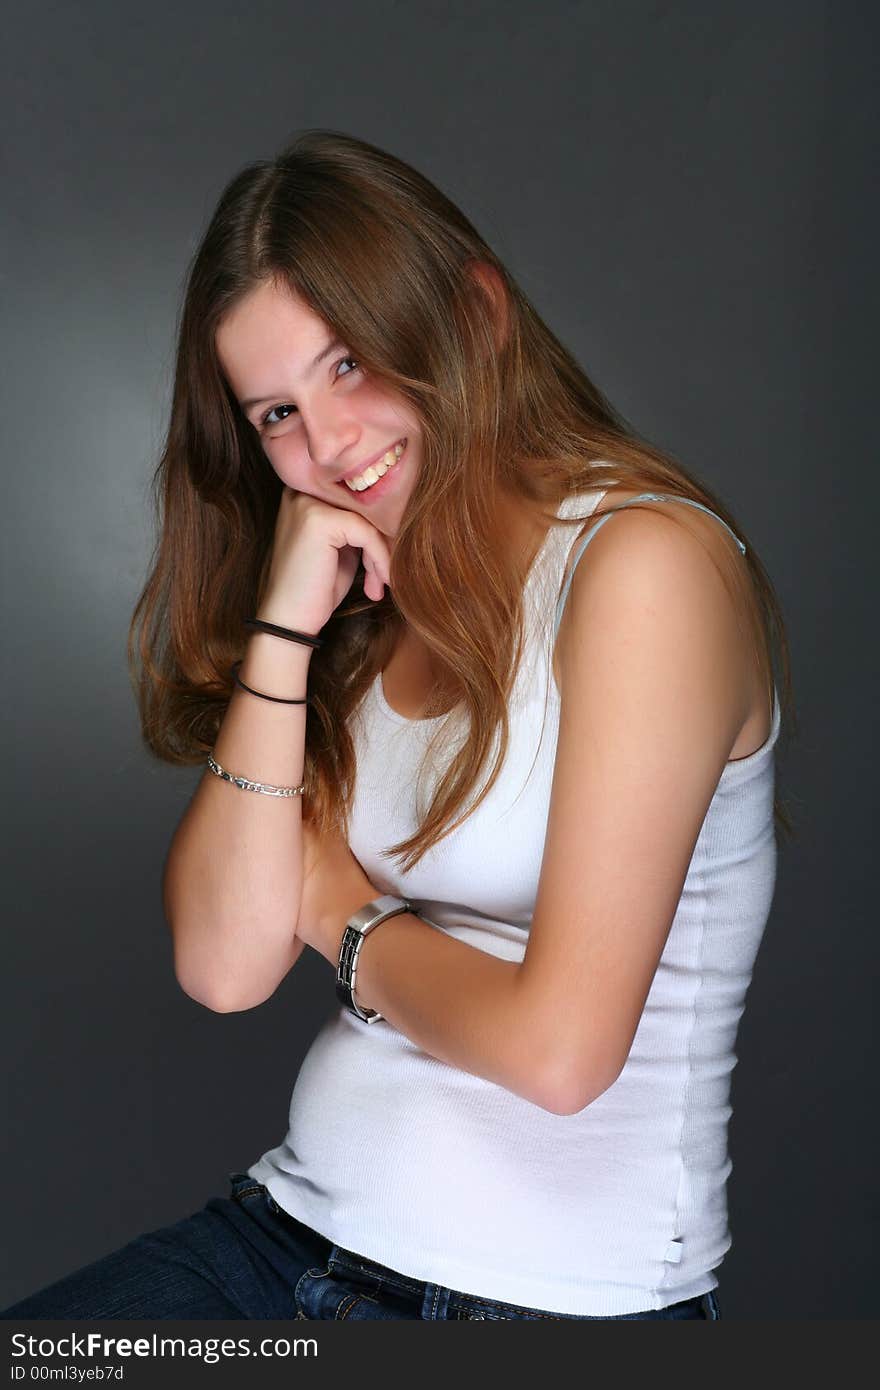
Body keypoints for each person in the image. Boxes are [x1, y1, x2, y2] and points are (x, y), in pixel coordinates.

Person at [1, 128, 792, 1322]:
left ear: (473, 315)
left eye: (350, 364)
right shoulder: (363, 607)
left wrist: (336, 911)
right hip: (283, 1242)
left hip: (547, 1304)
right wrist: (282, 625)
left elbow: (561, 1051)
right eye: (275, 411)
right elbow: (222, 964)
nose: (326, 446)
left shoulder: (644, 566)